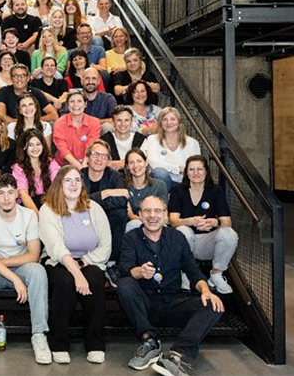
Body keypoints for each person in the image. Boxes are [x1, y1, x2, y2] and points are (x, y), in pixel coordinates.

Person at [117, 195, 224, 376]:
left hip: (173, 303)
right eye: (147, 211)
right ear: (140, 215)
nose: (152, 215)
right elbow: (125, 269)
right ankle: (149, 342)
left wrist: (206, 291)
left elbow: (192, 270)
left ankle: (174, 355)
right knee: (125, 284)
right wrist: (139, 272)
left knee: (214, 305)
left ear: (165, 215)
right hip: (145, 306)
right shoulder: (130, 238)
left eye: (157, 211)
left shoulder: (177, 238)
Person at [0, 174, 51, 365]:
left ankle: (39, 335)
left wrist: (0, 262)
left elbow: (33, 255)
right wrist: (14, 279)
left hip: (21, 267)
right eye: (1, 193)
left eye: (10, 192)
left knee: (38, 271)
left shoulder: (29, 215)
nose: (6, 198)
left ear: (17, 193)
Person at [39, 165, 111, 364]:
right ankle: (59, 343)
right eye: (68, 180)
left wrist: (84, 264)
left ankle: (95, 343)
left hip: (89, 259)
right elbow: (56, 247)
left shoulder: (93, 208)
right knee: (65, 282)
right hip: (57, 261)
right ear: (59, 184)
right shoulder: (48, 209)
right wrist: (78, 275)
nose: (73, 184)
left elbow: (105, 246)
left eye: (77, 180)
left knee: (96, 279)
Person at [169, 155, 238, 294]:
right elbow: (173, 221)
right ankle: (186, 274)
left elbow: (227, 221)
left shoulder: (216, 190)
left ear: (206, 171)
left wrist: (215, 222)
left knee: (229, 233)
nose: (196, 173)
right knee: (183, 230)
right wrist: (191, 221)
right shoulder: (178, 191)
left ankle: (216, 274)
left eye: (199, 169)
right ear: (186, 172)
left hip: (207, 243)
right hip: (186, 243)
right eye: (191, 169)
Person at [81, 140, 129, 285]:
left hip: (108, 219)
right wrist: (105, 193)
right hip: (82, 219)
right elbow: (77, 203)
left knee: (120, 213)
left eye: (104, 156)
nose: (99, 159)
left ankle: (111, 263)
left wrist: (93, 200)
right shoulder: (79, 176)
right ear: (88, 157)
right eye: (95, 154)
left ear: (108, 160)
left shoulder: (115, 176)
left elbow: (122, 201)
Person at [142, 107, 202, 190]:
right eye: (165, 119)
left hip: (183, 182)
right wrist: (178, 168)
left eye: (173, 119)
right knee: (160, 172)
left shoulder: (192, 143)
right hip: (160, 181)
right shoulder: (152, 139)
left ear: (179, 121)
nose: (169, 123)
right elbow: (154, 163)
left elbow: (197, 165)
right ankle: (163, 201)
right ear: (160, 123)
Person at [12, 129, 60, 214]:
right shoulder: (18, 168)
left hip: (49, 205)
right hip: (27, 209)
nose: (35, 148)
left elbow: (57, 187)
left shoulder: (51, 163)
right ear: (24, 147)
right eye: (31, 145)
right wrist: (38, 216)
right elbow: (23, 194)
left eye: (38, 144)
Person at [53, 89, 101, 169]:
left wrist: (84, 167)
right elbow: (63, 149)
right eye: (72, 101)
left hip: (88, 164)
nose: (75, 105)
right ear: (68, 105)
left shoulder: (94, 122)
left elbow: (91, 146)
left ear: (85, 104)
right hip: (65, 165)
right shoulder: (59, 123)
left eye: (79, 101)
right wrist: (80, 168)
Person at [124, 148, 169, 233]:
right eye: (131, 162)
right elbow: (130, 214)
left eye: (139, 161)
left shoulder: (159, 185)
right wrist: (146, 221)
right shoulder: (123, 187)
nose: (136, 166)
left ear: (146, 163)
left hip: (157, 222)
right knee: (134, 224)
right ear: (127, 166)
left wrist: (152, 221)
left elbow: (163, 212)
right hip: (136, 224)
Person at [100, 105, 147, 171]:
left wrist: (116, 163)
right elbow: (102, 164)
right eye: (119, 120)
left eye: (126, 120)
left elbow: (142, 163)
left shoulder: (141, 139)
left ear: (131, 123)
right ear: (113, 123)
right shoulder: (104, 141)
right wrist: (130, 162)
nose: (123, 124)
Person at [76, 66, 116, 131]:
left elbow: (114, 119)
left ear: (98, 81)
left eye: (94, 78)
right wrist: (101, 121)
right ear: (81, 81)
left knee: (107, 127)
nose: (90, 82)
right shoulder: (73, 98)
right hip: (78, 132)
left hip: (100, 133)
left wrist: (89, 123)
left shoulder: (108, 98)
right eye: (87, 78)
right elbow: (68, 119)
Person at [73, 23, 109, 88]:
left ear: (92, 35)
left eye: (87, 32)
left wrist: (83, 66)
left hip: (95, 79)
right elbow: (69, 70)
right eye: (82, 33)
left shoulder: (100, 50)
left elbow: (103, 68)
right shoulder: (72, 52)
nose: (85, 35)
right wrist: (92, 66)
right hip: (77, 78)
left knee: (105, 75)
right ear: (77, 36)